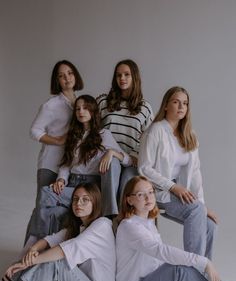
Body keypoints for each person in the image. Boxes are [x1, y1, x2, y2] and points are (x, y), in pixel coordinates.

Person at [115, 176, 236, 281]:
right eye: (141, 194)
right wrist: (203, 261)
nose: (148, 197)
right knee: (180, 267)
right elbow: (160, 251)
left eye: (151, 192)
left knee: (196, 274)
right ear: (129, 200)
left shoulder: (149, 223)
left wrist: (197, 268)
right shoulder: (129, 227)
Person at [0, 183, 116, 281]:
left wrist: (29, 262)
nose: (79, 203)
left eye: (85, 199)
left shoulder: (102, 225)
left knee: (56, 262)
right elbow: (49, 240)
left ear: (95, 202)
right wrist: (32, 250)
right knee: (34, 254)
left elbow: (64, 251)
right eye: (75, 199)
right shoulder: (79, 227)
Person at [27, 95, 131, 240]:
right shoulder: (73, 136)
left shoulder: (103, 135)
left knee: (50, 200)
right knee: (46, 194)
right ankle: (39, 243)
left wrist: (112, 153)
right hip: (72, 184)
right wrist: (61, 180)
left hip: (90, 186)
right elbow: (66, 164)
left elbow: (128, 160)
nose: (81, 111)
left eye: (85, 108)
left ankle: (39, 245)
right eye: (77, 109)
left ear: (93, 111)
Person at [138, 86, 217, 259]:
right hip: (158, 192)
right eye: (176, 102)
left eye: (185, 103)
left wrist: (202, 205)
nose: (181, 106)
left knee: (210, 224)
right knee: (196, 210)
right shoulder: (155, 131)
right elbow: (144, 168)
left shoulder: (190, 135)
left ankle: (204, 274)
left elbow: (195, 173)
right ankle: (194, 267)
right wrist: (173, 187)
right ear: (166, 105)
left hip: (180, 192)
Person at [97, 59, 153, 201]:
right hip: (107, 157)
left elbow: (149, 140)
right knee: (112, 164)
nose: (122, 78)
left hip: (131, 161)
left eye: (126, 74)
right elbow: (93, 130)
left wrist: (135, 157)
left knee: (127, 187)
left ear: (134, 77)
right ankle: (109, 217)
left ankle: (123, 220)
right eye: (118, 75)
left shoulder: (145, 107)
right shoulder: (104, 102)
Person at [30, 60, 84, 195]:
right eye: (61, 75)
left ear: (75, 75)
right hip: (51, 165)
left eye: (70, 73)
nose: (67, 78)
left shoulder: (80, 103)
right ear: (57, 80)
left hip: (70, 167)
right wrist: (58, 140)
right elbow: (34, 131)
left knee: (61, 211)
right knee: (44, 208)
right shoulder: (51, 105)